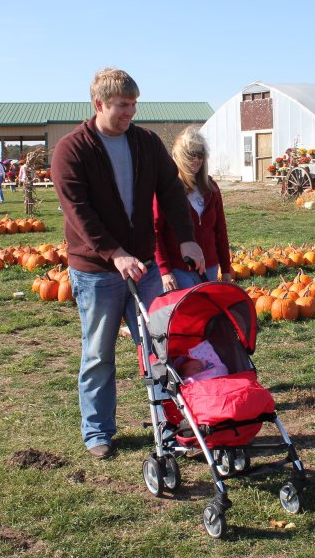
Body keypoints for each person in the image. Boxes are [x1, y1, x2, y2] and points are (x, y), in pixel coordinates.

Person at [52, 67, 205, 460]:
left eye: (134, 105)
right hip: (95, 271)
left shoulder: (145, 143)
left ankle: (172, 425)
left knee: (160, 348)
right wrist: (114, 253)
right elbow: (78, 213)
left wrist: (187, 237)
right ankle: (97, 431)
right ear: (99, 104)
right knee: (99, 353)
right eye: (122, 106)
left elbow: (171, 190)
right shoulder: (72, 150)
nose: (129, 113)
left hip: (145, 266)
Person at [154, 126, 233, 291]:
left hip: (209, 267)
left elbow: (220, 231)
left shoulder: (211, 188)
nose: (197, 160)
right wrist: (165, 271)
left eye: (200, 154)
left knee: (206, 314)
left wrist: (226, 268)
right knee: (186, 314)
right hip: (179, 269)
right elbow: (156, 232)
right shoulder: (166, 190)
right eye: (191, 154)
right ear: (180, 156)